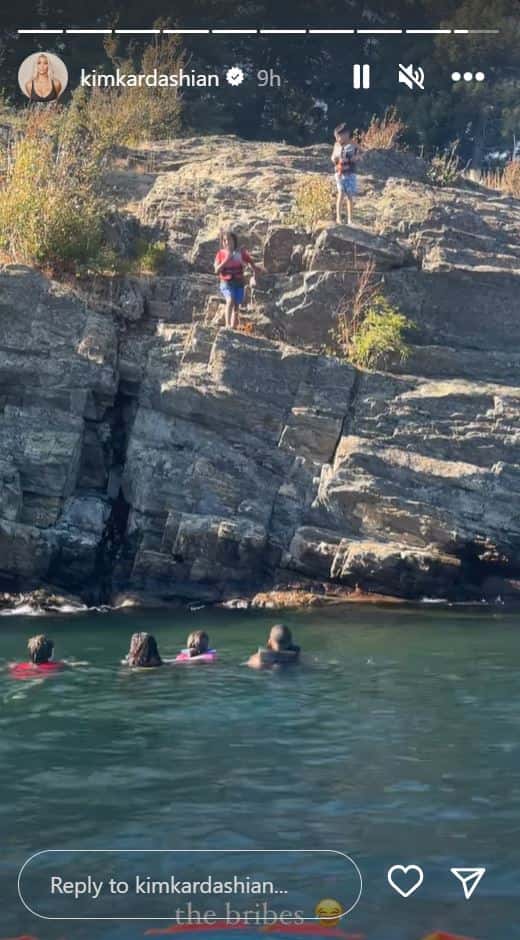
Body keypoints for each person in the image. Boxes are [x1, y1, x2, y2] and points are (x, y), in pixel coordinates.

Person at [214, 231, 263, 330]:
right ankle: (227, 325)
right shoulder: (220, 254)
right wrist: (226, 260)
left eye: (229, 240)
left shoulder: (241, 253)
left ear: (234, 241)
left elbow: (252, 264)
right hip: (226, 283)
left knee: (236, 305)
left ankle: (233, 327)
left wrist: (254, 274)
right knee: (230, 300)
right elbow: (216, 270)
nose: (227, 242)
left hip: (239, 283)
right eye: (224, 240)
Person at [331, 123, 362, 225]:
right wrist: (335, 158)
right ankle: (338, 218)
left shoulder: (353, 144)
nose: (338, 139)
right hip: (340, 173)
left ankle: (350, 219)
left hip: (350, 173)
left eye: (339, 136)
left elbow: (362, 152)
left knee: (349, 195)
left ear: (347, 134)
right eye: (336, 137)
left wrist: (356, 157)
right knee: (341, 193)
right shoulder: (337, 145)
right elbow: (332, 157)